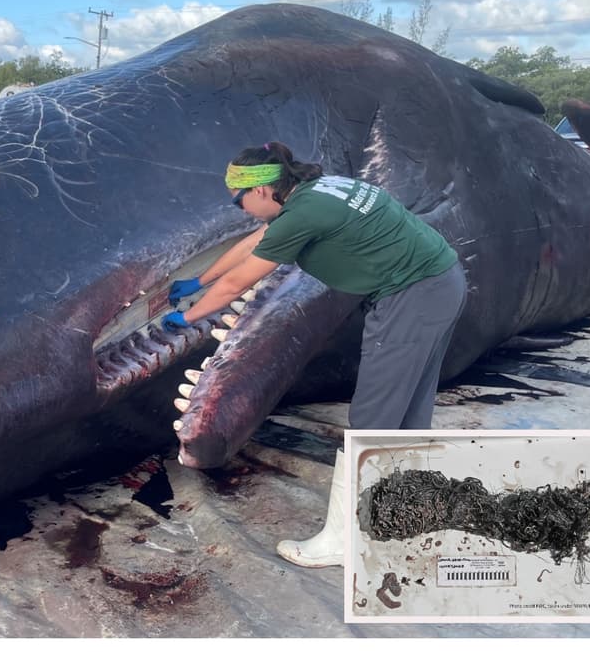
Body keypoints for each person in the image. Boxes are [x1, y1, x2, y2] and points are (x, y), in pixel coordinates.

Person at [163, 141, 467, 568]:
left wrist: (187, 317)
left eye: (239, 200)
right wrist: (198, 281)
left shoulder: (302, 214)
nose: (241, 209)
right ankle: (407, 518)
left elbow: (236, 285)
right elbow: (257, 241)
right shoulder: (317, 189)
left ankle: (344, 541)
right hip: (441, 281)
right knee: (408, 412)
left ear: (262, 190)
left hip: (411, 298)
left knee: (373, 419)